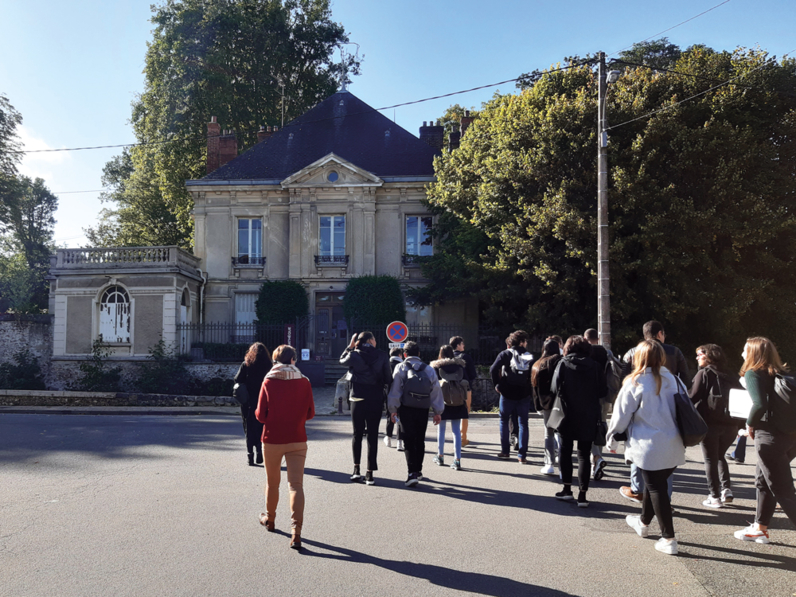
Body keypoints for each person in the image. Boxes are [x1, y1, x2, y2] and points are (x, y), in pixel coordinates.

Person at [607, 340, 685, 555]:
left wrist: (612, 439)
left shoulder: (635, 382)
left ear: (637, 358)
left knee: (656, 488)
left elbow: (620, 416)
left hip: (647, 446)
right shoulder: (674, 380)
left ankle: (669, 538)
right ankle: (642, 523)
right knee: (655, 485)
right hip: (675, 444)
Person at [733, 337, 796, 545]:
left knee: (783, 489)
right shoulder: (783, 373)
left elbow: (759, 404)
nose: (742, 353)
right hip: (790, 436)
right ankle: (760, 528)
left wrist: (749, 424)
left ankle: (760, 528)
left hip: (768, 437)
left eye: (745, 350)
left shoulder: (753, 373)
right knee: (763, 481)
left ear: (752, 353)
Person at [620, 320, 689, 502]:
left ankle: (637, 488)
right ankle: (665, 498)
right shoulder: (675, 352)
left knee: (638, 444)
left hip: (641, 404)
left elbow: (622, 375)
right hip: (670, 406)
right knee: (666, 457)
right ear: (660, 334)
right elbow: (686, 379)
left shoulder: (634, 352)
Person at [255, 345, 315, 550]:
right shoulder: (305, 382)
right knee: (296, 485)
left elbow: (260, 416)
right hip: (297, 438)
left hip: (272, 439)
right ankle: (296, 533)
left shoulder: (268, 381)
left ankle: (270, 520)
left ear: (275, 361)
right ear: (293, 360)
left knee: (272, 483)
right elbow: (311, 413)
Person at [549, 335, 606, 507]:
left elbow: (554, 388)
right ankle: (583, 495)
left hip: (566, 414)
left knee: (565, 452)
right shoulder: (595, 367)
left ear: (567, 348)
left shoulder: (563, 364)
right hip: (589, 415)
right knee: (583, 454)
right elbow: (603, 391)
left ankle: (567, 489)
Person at [689, 344, 743, 508]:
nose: (697, 358)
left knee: (710, 459)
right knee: (720, 455)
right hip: (731, 426)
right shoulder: (731, 375)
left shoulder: (704, 374)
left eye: (700, 355)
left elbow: (692, 396)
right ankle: (726, 489)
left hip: (710, 425)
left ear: (709, 356)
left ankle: (714, 496)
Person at [387, 341, 444, 487]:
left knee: (408, 440)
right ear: (419, 354)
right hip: (423, 409)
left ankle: (411, 472)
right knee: (420, 440)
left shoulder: (400, 367)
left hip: (406, 408)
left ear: (404, 354)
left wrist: (393, 410)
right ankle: (418, 470)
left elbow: (395, 391)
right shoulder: (429, 369)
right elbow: (436, 390)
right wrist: (438, 412)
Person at [340, 331, 391, 486]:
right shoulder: (382, 355)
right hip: (375, 398)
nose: (375, 341)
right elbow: (389, 379)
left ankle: (356, 470)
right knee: (373, 435)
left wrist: (349, 347)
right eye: (374, 338)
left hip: (357, 396)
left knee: (357, 434)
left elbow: (341, 361)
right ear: (370, 340)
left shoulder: (354, 355)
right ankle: (370, 473)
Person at [490, 330, 534, 463]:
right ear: (522, 342)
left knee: (504, 420)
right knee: (523, 424)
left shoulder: (505, 354)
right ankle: (522, 455)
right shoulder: (529, 355)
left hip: (507, 392)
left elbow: (493, 369)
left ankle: (505, 451)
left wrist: (497, 385)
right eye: (525, 341)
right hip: (523, 394)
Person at [431, 345, 470, 470]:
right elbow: (468, 381)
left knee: (441, 430)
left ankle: (440, 456)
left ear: (440, 354)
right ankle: (457, 460)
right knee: (456, 431)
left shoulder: (437, 367)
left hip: (442, 401)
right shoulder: (460, 366)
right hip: (458, 401)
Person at [233, 342, 272, 466]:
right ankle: (260, 451)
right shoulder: (268, 365)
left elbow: (237, 380)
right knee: (261, 426)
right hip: (264, 401)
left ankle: (250, 455)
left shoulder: (246, 365)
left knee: (248, 427)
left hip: (248, 401)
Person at [532, 339, 563, 475]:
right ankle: (563, 467)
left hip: (547, 404)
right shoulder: (563, 362)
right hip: (562, 403)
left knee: (548, 433)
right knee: (563, 435)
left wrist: (538, 406)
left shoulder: (539, 364)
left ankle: (549, 464)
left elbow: (535, 389)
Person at [584, 328, 610, 480]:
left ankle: (593, 458)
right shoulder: (607, 353)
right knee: (601, 425)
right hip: (604, 395)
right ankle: (597, 458)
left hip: (588, 396)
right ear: (598, 338)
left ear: (585, 338)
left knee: (588, 427)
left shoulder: (585, 354)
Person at [451, 336, 478, 447]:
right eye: (462, 344)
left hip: (450, 389)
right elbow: (472, 375)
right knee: (465, 412)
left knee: (453, 413)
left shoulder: (448, 357)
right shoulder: (466, 357)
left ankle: (454, 437)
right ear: (458, 345)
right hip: (465, 389)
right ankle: (462, 438)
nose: (464, 346)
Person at [384, 347, 404, 449]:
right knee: (400, 418)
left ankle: (388, 438)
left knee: (390, 416)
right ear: (400, 355)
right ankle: (399, 442)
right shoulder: (403, 366)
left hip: (389, 394)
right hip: (401, 394)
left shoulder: (387, 365)